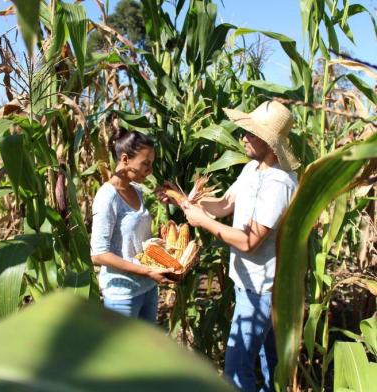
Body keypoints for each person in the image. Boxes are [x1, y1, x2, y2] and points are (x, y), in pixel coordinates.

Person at [180, 101, 299, 391]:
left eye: (251, 133)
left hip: (262, 289)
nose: (243, 137)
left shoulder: (278, 183)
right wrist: (186, 200)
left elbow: (249, 241)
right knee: (269, 362)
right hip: (246, 282)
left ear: (271, 143)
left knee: (235, 370)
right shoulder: (251, 169)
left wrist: (203, 222)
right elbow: (223, 205)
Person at [90, 127, 174, 322]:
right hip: (123, 295)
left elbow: (136, 240)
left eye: (151, 163)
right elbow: (98, 255)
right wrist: (147, 271)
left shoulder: (137, 190)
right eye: (145, 163)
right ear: (125, 159)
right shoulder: (107, 198)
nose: (150, 170)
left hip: (148, 288)